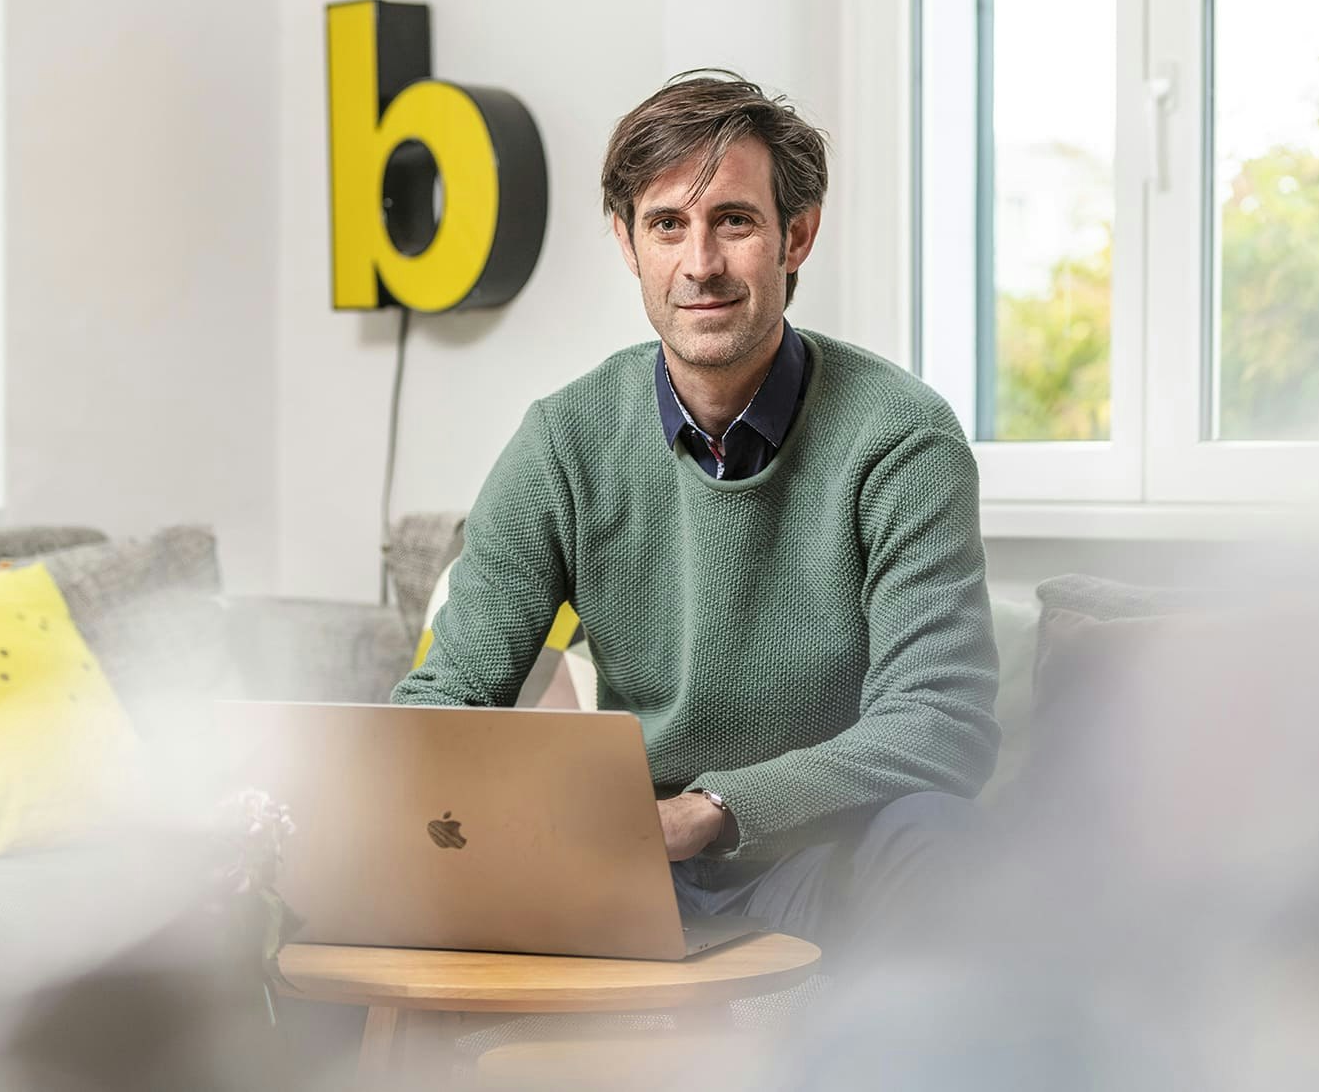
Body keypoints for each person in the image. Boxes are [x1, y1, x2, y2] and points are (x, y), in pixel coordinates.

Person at [393, 70, 998, 953]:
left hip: (825, 865)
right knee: (353, 887)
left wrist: (715, 809)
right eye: (668, 224)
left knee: (940, 836)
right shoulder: (565, 441)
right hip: (629, 870)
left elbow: (939, 723)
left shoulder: (902, 438)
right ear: (628, 244)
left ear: (798, 235)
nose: (701, 263)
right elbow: (454, 692)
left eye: (735, 221)